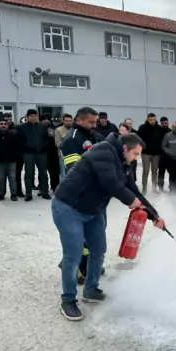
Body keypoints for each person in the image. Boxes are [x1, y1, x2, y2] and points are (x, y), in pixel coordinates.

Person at [52, 132, 166, 321]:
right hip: (68, 207)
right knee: (73, 254)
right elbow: (111, 183)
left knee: (98, 250)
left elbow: (133, 190)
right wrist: (131, 201)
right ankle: (68, 300)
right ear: (125, 148)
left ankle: (91, 290)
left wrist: (154, 216)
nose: (136, 158)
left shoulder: (123, 162)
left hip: (92, 210)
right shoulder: (102, 151)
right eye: (136, 154)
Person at [59, 107, 102, 285]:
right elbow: (74, 171)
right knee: (79, 238)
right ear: (79, 120)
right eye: (90, 122)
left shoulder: (93, 136)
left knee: (95, 235)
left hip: (95, 196)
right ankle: (74, 267)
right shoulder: (72, 139)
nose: (94, 125)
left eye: (95, 122)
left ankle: (88, 264)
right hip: (78, 197)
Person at [15, 109, 51, 201]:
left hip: (42, 153)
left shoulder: (42, 126)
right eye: (31, 116)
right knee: (28, 173)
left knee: (43, 173)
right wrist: (28, 148)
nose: (33, 118)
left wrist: (43, 147)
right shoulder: (21, 127)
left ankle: (45, 192)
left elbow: (47, 139)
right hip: (29, 153)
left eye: (35, 116)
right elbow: (20, 141)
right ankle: (28, 194)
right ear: (27, 117)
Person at [0, 117, 20, 201]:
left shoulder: (13, 134)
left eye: (5, 124)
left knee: (12, 178)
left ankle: (13, 194)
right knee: (0, 179)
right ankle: (0, 195)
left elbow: (17, 147)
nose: (3, 126)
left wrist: (15, 156)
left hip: (11, 161)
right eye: (1, 124)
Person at [138, 112, 164, 194]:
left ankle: (154, 188)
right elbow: (139, 140)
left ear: (155, 119)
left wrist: (160, 149)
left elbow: (161, 140)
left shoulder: (159, 128)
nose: (152, 121)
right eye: (150, 120)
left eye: (153, 119)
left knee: (155, 171)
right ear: (147, 119)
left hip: (156, 154)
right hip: (146, 153)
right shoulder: (142, 128)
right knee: (145, 171)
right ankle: (144, 188)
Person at [42, 115, 61, 193]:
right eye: (44, 119)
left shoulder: (54, 128)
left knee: (54, 172)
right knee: (42, 172)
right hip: (42, 153)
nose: (46, 121)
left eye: (47, 119)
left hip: (53, 153)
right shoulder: (39, 128)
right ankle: (43, 188)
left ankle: (55, 187)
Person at [54, 113, 74, 180]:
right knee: (64, 174)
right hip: (63, 155)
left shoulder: (74, 130)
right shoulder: (58, 130)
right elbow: (57, 143)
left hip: (74, 154)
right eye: (67, 121)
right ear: (63, 121)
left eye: (70, 121)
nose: (69, 122)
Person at [156, 116, 170, 192]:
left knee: (172, 172)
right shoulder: (158, 131)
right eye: (162, 123)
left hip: (170, 156)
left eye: (165, 123)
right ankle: (161, 187)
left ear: (168, 122)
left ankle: (172, 187)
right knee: (161, 172)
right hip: (161, 155)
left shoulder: (171, 131)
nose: (164, 124)